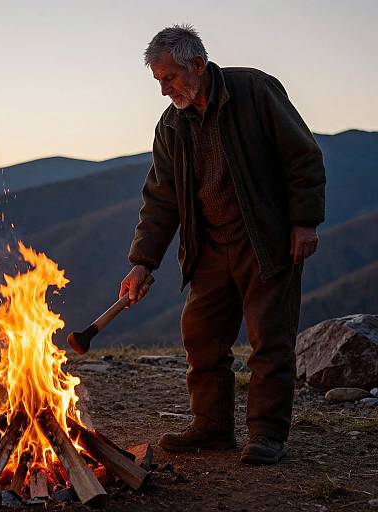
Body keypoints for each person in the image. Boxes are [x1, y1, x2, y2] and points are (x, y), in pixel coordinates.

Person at [119, 25, 325, 465]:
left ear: (197, 64)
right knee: (202, 338)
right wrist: (142, 262)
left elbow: (302, 155)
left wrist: (304, 221)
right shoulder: (172, 124)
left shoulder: (254, 90)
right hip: (209, 246)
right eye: (158, 81)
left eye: (168, 78)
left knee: (269, 339)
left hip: (265, 240)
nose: (163, 90)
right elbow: (161, 197)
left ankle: (267, 434)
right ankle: (211, 428)